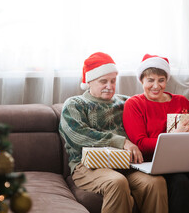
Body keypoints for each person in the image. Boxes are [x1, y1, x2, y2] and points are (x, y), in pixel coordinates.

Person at [59, 52, 168, 213]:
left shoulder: (126, 102)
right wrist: (121, 141)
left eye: (113, 81)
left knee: (156, 182)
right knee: (116, 182)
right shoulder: (75, 104)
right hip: (88, 166)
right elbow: (78, 136)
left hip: (127, 165)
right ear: (89, 81)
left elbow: (152, 120)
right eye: (103, 81)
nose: (109, 86)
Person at [123, 54, 189, 213]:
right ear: (141, 80)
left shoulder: (181, 101)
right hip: (157, 164)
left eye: (161, 80)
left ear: (167, 80)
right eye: (150, 80)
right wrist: (173, 136)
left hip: (187, 161)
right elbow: (141, 144)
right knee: (180, 183)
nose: (156, 85)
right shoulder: (134, 104)